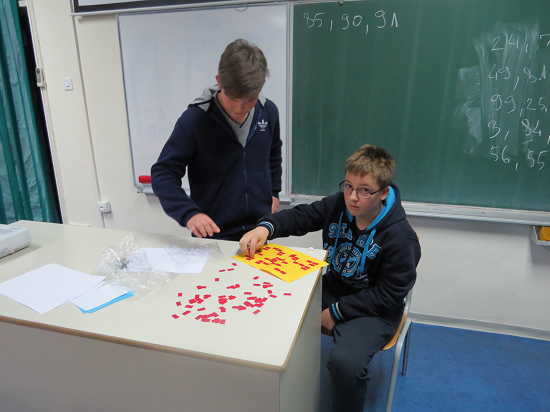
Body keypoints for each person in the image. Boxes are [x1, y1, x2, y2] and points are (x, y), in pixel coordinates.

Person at [239, 144, 421, 412]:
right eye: (348, 186)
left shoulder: (401, 239)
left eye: (364, 190)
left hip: (375, 309)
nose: (353, 197)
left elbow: (389, 296)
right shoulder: (338, 204)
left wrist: (336, 312)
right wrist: (267, 228)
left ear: (383, 192)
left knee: (346, 364)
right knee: (272, 309)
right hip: (334, 288)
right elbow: (303, 216)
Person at [151, 39, 282, 241]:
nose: (239, 109)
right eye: (233, 100)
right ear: (219, 82)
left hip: (259, 231)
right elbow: (163, 172)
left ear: (262, 86)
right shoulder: (195, 119)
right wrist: (188, 213)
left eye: (249, 100)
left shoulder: (268, 112)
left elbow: (273, 153)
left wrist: (274, 191)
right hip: (215, 235)